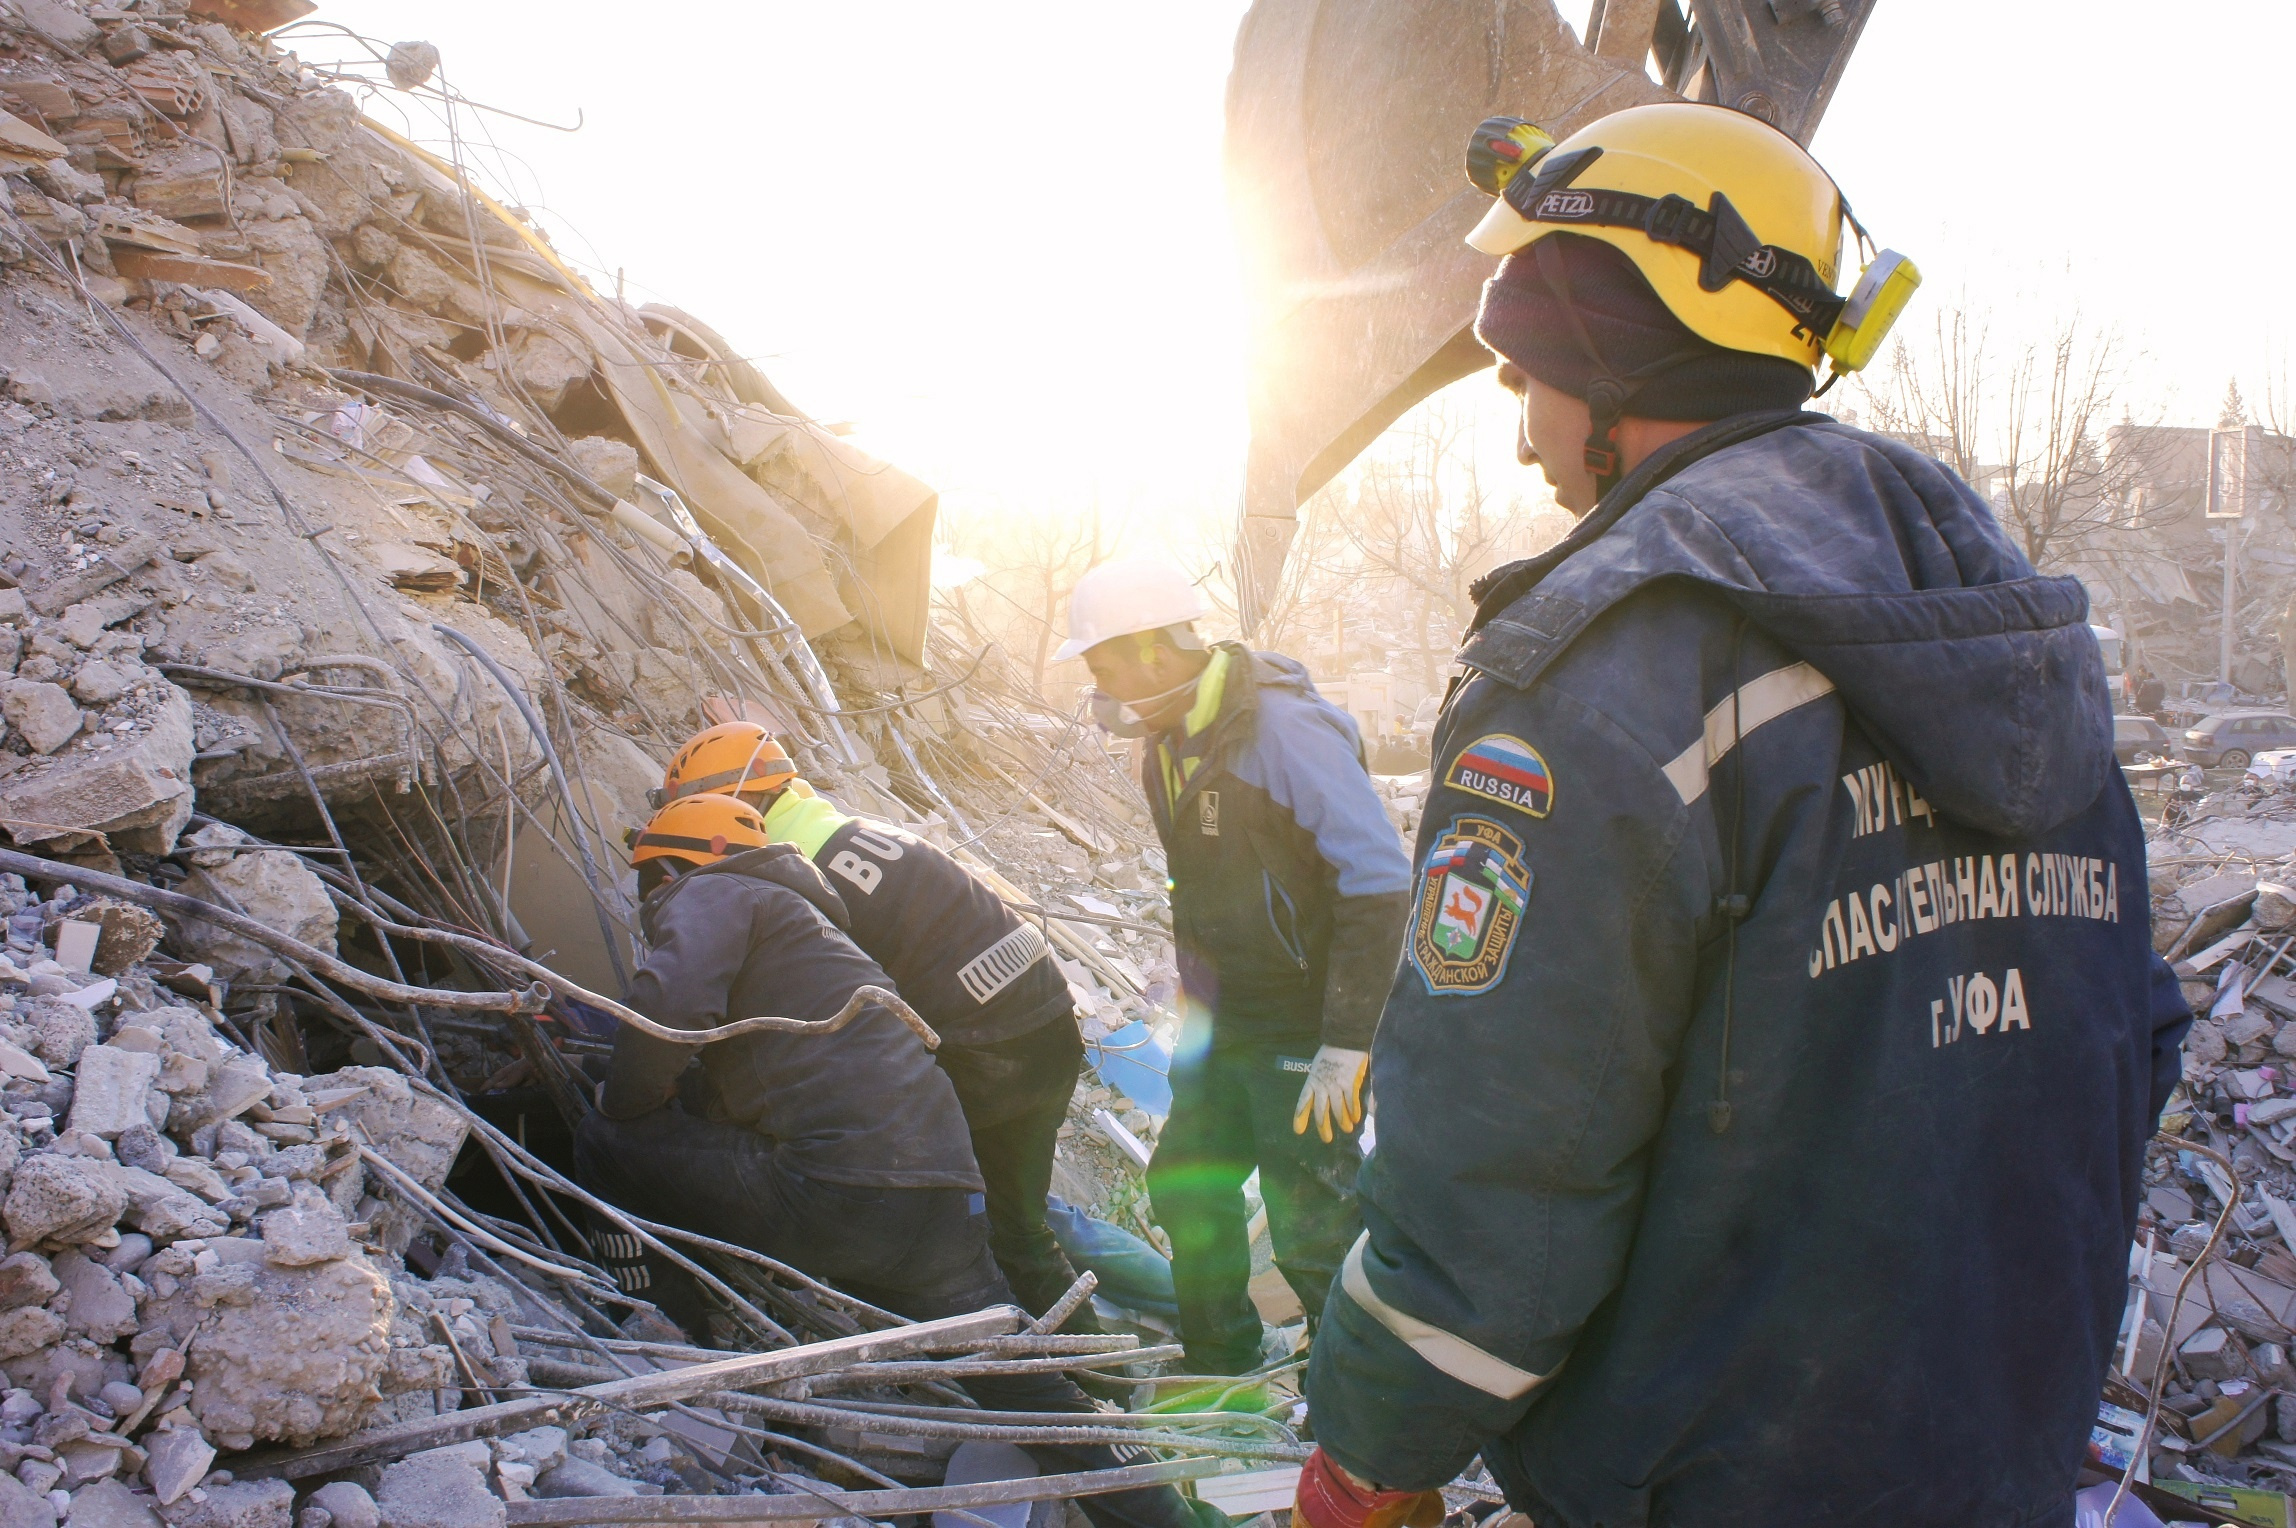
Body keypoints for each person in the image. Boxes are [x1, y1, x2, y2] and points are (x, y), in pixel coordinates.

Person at [1292, 103, 2190, 1527]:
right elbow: (2120, 1044)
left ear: (1611, 346)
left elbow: (1500, 1173)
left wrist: (1368, 1457)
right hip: (1996, 1456)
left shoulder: (1605, 677)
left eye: (1530, 375)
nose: (1528, 437)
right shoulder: (2002, 632)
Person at [576, 792, 1214, 1528]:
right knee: (1039, 1403)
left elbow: (667, 1008)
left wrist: (623, 1099)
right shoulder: (817, 927)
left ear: (671, 867)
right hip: (941, 1198)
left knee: (608, 1143)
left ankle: (666, 1346)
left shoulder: (715, 890)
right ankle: (1175, 1519)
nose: (649, 902)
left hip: (836, 1191)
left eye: (649, 883)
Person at [1056, 557, 1413, 1375]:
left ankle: (1358, 1398)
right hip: (1225, 1023)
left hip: (1305, 1023)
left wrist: (1347, 1040)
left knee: (1310, 1222)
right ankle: (1222, 1365)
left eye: (1102, 664)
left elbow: (1380, 880)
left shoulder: (1284, 731)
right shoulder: (1166, 747)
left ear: (1153, 650)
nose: (1097, 685)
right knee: (1186, 1186)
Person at [652, 722, 1095, 1323]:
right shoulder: (851, 830)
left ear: (734, 802)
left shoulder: (787, 869)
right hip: (1046, 1027)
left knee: (959, 1238)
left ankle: (1022, 1374)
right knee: (1021, 1227)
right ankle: (1102, 1385)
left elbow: (820, 1018)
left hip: (985, 1050)